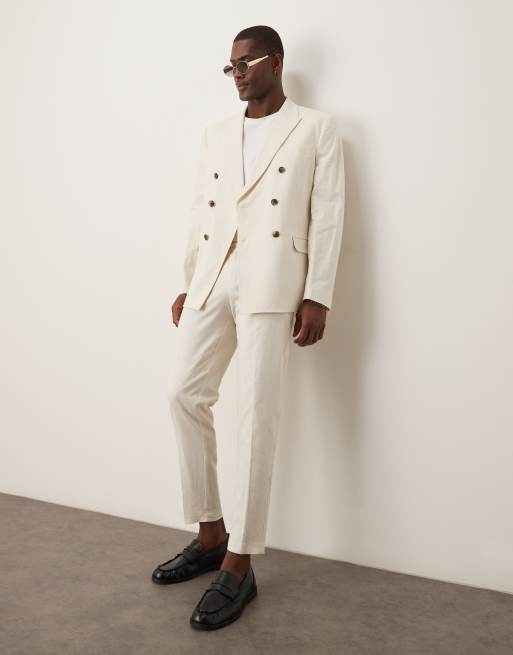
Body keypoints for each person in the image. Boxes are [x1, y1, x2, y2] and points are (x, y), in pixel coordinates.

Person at [152, 25, 345, 630]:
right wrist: (191, 282)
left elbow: (328, 213)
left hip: (273, 281)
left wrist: (317, 294)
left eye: (245, 62)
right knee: (184, 394)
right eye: (230, 66)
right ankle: (211, 531)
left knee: (256, 416)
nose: (236, 73)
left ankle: (240, 561)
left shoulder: (315, 128)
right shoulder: (217, 132)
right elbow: (201, 211)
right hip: (216, 276)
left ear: (275, 63)